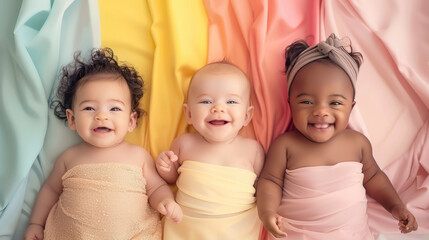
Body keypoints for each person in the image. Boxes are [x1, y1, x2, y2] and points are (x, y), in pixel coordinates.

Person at [256, 33, 418, 240]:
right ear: (290, 104)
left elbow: (375, 178)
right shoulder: (286, 145)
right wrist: (267, 212)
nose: (321, 111)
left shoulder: (357, 143)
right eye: (306, 102)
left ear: (351, 108)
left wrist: (396, 207)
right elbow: (270, 181)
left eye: (335, 103)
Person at [24, 48, 182, 240]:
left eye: (114, 108)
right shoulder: (69, 157)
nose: (102, 116)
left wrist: (165, 201)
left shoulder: (138, 156)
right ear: (72, 119)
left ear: (131, 121)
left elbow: (156, 188)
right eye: (89, 108)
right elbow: (50, 190)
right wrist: (36, 223)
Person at [155, 62, 265, 240]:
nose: (218, 108)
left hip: (236, 231)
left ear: (246, 116)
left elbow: (263, 189)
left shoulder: (252, 150)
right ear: (189, 114)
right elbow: (173, 179)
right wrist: (165, 167)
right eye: (206, 101)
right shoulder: (185, 144)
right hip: (187, 231)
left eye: (231, 101)